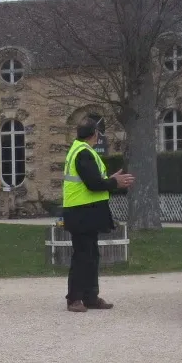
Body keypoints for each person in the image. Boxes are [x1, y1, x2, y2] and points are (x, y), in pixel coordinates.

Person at [61, 117, 134, 312]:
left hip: (84, 211)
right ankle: (74, 299)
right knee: (83, 256)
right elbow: (93, 184)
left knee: (91, 255)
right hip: (81, 212)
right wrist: (115, 182)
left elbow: (93, 180)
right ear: (95, 134)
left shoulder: (80, 150)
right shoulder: (83, 153)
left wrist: (109, 179)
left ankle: (90, 297)